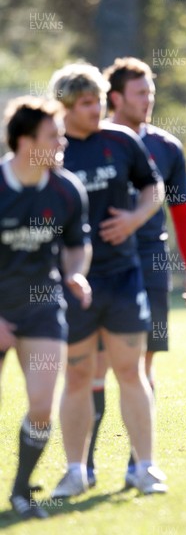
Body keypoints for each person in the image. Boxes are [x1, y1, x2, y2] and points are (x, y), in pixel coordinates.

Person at [86, 56, 186, 488]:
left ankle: (140, 464)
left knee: (142, 365)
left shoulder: (167, 147)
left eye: (151, 92)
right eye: (140, 93)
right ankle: (85, 465)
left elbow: (182, 211)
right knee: (95, 366)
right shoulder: (91, 143)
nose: (148, 100)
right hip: (101, 268)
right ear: (115, 98)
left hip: (153, 266)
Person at [49, 63, 168, 497]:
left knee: (130, 371)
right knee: (78, 377)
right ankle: (76, 471)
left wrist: (135, 218)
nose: (96, 109)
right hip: (73, 285)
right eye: (86, 103)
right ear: (64, 107)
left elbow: (153, 188)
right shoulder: (52, 149)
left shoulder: (122, 140)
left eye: (100, 99)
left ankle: (145, 468)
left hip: (123, 275)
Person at [0, 96, 92, 519]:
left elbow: (77, 245)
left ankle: (21, 491)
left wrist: (75, 273)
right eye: (53, 136)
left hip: (41, 305)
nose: (62, 143)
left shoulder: (66, 189)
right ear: (23, 140)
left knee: (41, 406)